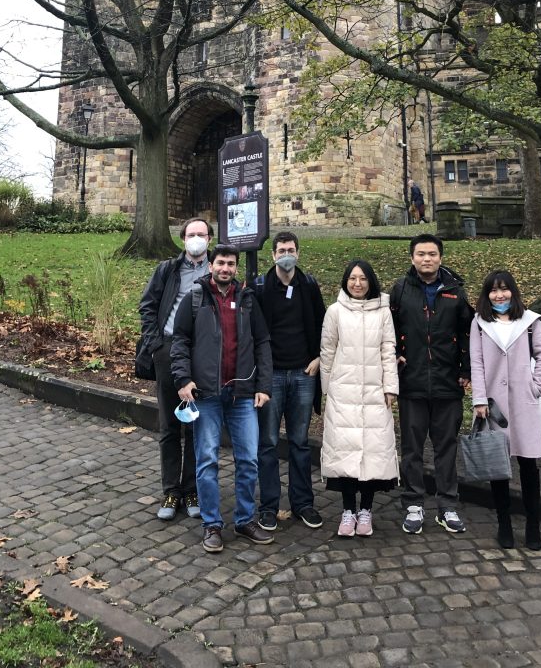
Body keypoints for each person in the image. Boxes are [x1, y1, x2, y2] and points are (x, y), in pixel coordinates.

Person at [170, 244, 274, 553]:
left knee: (249, 460)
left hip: (243, 394)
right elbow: (180, 342)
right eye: (220, 263)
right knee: (207, 461)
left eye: (230, 263)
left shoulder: (248, 302)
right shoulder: (195, 299)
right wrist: (183, 378)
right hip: (207, 394)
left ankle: (244, 520)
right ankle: (212, 525)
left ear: (236, 268)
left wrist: (263, 385)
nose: (225, 268)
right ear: (211, 266)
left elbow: (263, 344)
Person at [390, 234, 472, 535]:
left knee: (446, 446)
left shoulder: (455, 291)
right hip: (411, 382)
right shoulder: (400, 290)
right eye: (421, 254)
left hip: (447, 382)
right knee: (411, 447)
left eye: (432, 254)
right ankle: (413, 503)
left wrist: (467, 369)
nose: (427, 259)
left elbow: (467, 334)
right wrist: (395, 357)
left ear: (441, 257)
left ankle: (447, 505)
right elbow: (390, 330)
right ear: (412, 258)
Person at [470, 269, 541, 550]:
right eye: (493, 290)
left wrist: (536, 385)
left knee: (528, 465)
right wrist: (479, 399)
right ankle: (504, 524)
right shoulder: (480, 323)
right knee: (498, 467)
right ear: (486, 295)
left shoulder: (529, 322)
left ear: (513, 292)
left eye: (504, 289)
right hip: (493, 406)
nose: (499, 295)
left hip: (523, 403)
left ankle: (533, 525)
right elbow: (477, 362)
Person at [138, 217, 213, 521]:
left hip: (203, 355)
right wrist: (156, 344)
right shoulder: (168, 270)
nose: (196, 239)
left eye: (202, 234)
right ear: (183, 239)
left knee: (198, 426)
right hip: (168, 351)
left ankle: (192, 489)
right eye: (191, 234)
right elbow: (148, 306)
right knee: (170, 426)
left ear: (210, 238)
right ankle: (171, 490)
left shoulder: (216, 268)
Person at [320, 259, 399, 537]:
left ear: (371, 282)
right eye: (352, 278)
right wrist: (327, 390)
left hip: (374, 392)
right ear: (346, 281)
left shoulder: (383, 312)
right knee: (346, 454)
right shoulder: (335, 312)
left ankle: (366, 509)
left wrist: (390, 387)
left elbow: (388, 350)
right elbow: (327, 352)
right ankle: (347, 511)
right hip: (344, 394)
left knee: (372, 454)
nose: (357, 283)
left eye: (363, 278)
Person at [254, 231, 326, 531]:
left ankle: (303, 503)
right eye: (282, 249)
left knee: (299, 442)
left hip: (303, 374)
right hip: (272, 377)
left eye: (292, 249)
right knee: (268, 443)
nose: (287, 254)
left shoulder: (308, 285)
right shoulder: (260, 287)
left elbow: (324, 326)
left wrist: (318, 359)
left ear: (298, 253)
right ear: (273, 255)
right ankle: (269, 505)